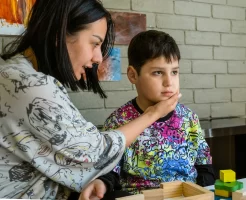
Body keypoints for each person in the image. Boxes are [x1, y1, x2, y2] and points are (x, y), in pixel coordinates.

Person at [0, 1, 180, 199]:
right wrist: (153, 114)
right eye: (95, 43)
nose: (98, 58)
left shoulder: (17, 74)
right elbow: (96, 154)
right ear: (59, 35)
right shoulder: (31, 87)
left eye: (174, 72)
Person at [85, 30, 215, 198]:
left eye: (174, 72)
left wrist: (202, 192)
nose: (169, 82)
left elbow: (204, 165)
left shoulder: (189, 118)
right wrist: (102, 182)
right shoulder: (119, 121)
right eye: (158, 73)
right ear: (133, 75)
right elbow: (110, 171)